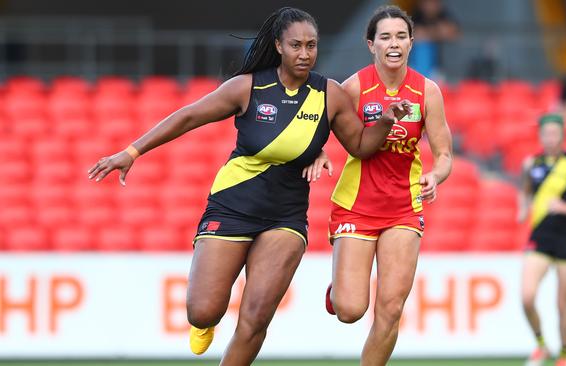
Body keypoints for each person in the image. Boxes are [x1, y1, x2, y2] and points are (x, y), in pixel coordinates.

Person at [87, 7, 412, 365]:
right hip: (232, 205)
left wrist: (382, 121)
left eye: (311, 46)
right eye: (296, 45)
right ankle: (204, 323)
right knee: (203, 310)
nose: (304, 54)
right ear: (278, 46)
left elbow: (362, 146)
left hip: (285, 217)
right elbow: (190, 115)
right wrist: (132, 151)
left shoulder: (329, 95)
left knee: (257, 316)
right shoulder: (249, 86)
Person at [324, 5, 453, 365]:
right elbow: (319, 128)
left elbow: (445, 155)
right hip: (356, 204)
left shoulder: (427, 92)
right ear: (371, 45)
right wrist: (317, 153)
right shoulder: (353, 87)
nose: (393, 43)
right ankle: (338, 291)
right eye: (385, 37)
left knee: (391, 309)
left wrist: (435, 175)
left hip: (403, 208)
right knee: (350, 310)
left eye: (400, 36)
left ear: (412, 42)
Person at [517, 114, 566, 366]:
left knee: (562, 304)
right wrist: (522, 208)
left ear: (562, 135)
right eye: (546, 134)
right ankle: (541, 346)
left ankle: (564, 354)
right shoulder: (531, 164)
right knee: (527, 296)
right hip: (540, 237)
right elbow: (525, 192)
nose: (550, 138)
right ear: (540, 136)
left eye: (554, 133)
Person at [410, 0, 460, 79]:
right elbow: (414, 34)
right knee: (422, 46)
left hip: (439, 66)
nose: (430, 6)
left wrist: (428, 33)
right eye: (427, 3)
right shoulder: (417, 15)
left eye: (433, 2)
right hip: (416, 63)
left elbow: (453, 33)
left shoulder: (444, 14)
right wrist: (437, 32)